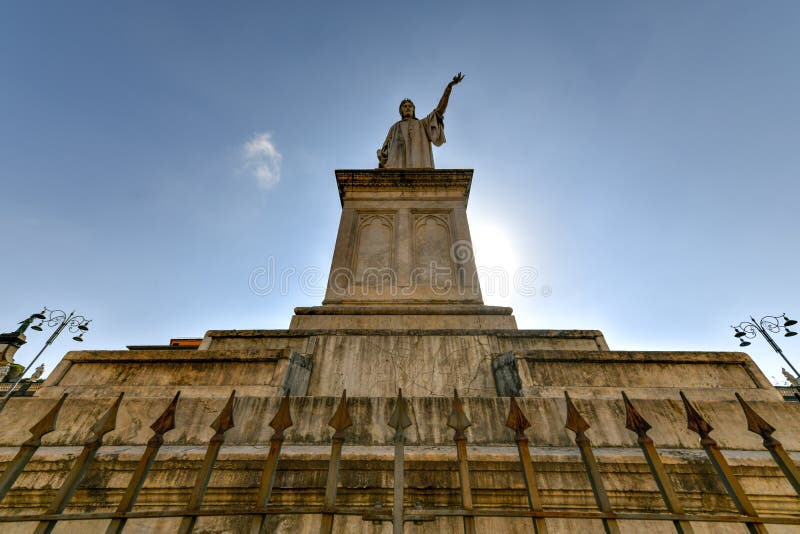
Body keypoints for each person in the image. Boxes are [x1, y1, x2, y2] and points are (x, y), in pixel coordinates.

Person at [377, 73, 464, 169]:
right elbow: (385, 150)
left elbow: (439, 111)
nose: (407, 108)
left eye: (410, 106)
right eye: (404, 106)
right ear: (401, 110)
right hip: (396, 167)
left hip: (421, 166)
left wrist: (449, 87)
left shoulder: (422, 124)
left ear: (414, 109)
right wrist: (382, 154)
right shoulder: (394, 127)